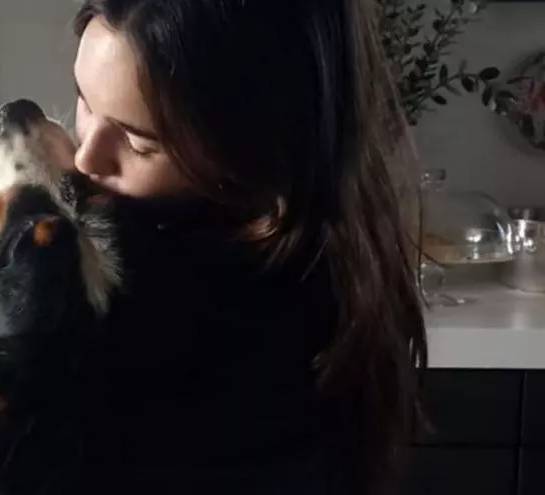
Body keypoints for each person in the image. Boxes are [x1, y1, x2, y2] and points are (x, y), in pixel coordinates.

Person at [67, 0, 429, 494]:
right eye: (84, 100)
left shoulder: (248, 344)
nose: (86, 158)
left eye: (140, 143)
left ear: (251, 148)